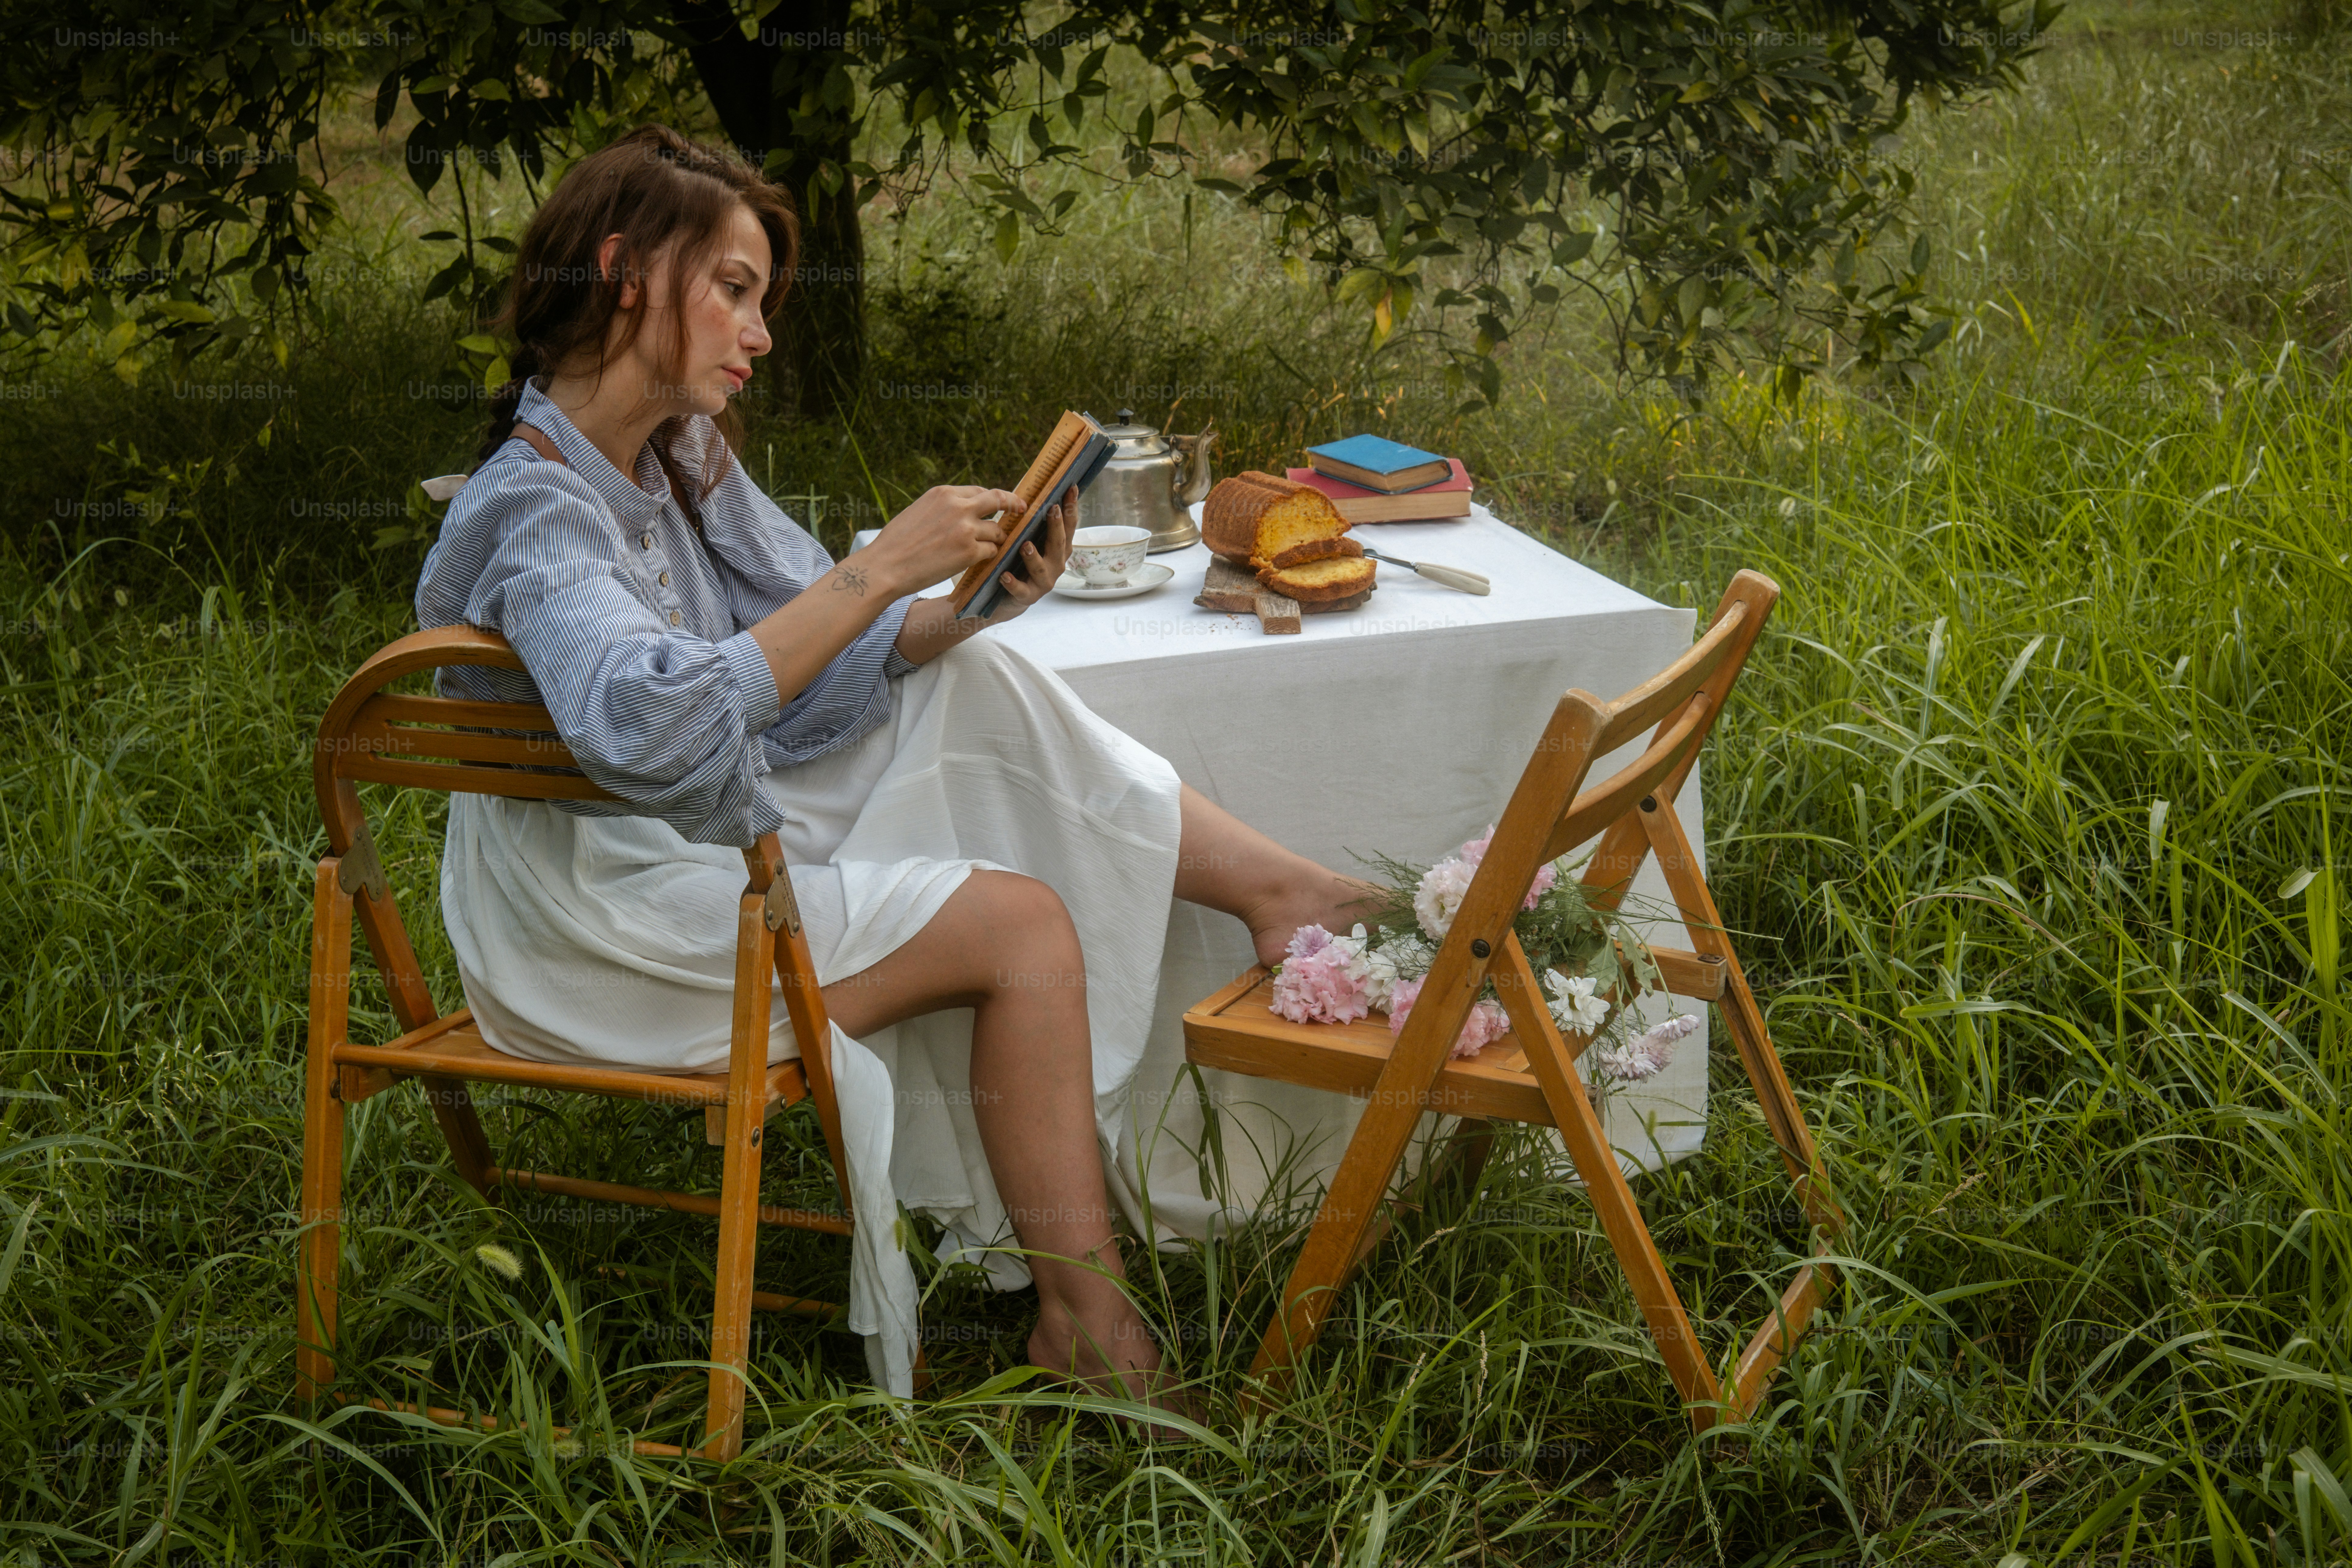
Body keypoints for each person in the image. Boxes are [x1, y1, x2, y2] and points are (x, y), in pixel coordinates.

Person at [412, 125, 1370, 1423]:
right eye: (735, 291)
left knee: (974, 675)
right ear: (626, 271)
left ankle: (1277, 888)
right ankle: (1086, 1318)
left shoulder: (674, 462)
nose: (758, 336)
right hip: (602, 911)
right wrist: (881, 568)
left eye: (764, 301)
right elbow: (658, 733)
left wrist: (955, 606)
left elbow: (808, 664)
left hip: (684, 832)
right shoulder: (537, 512)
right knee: (1017, 919)